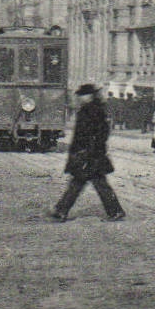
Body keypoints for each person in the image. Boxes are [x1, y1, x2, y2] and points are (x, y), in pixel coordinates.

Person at [50, 83, 125, 223]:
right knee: (93, 183)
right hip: (91, 154)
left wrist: (89, 151)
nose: (81, 98)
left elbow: (99, 133)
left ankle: (61, 210)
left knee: (80, 183)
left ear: (89, 95)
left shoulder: (91, 110)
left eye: (83, 95)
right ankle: (115, 211)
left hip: (88, 154)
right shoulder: (93, 109)